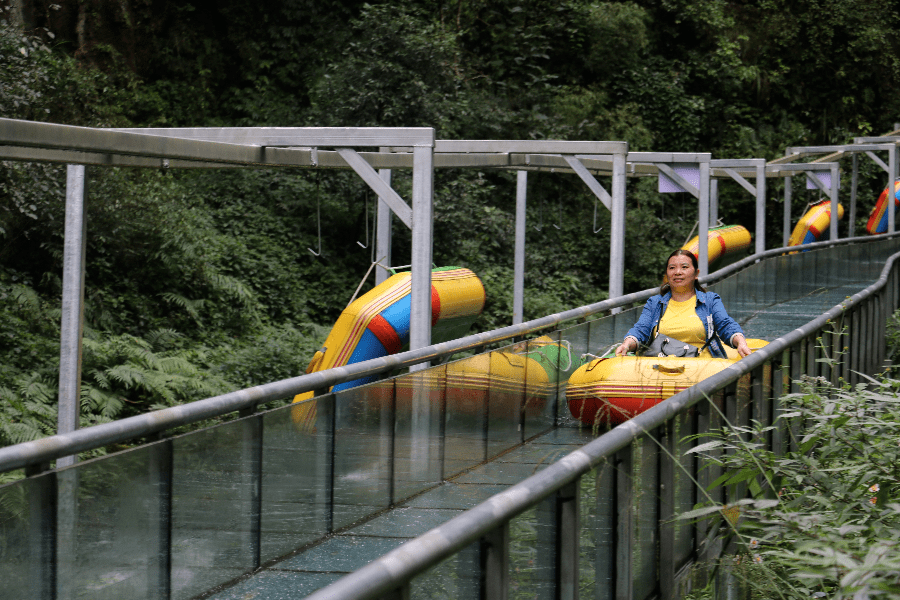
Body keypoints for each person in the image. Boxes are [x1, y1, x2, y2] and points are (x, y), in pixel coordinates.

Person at [615, 249, 752, 358]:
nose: (678, 272)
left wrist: (740, 341)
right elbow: (641, 329)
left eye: (684, 267)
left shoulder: (710, 300)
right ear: (667, 274)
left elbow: (725, 325)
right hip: (661, 365)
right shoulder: (655, 303)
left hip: (703, 367)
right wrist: (627, 344)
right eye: (672, 268)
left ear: (696, 273)